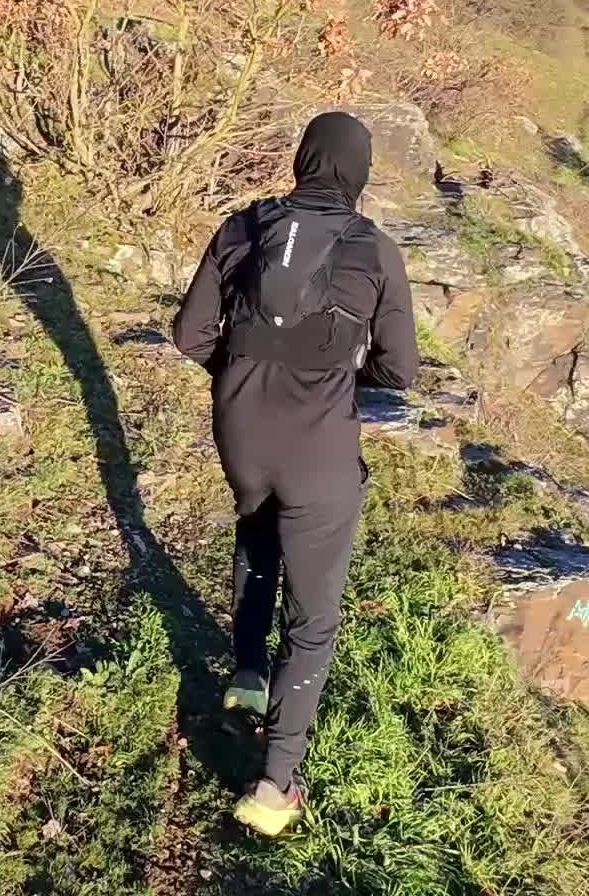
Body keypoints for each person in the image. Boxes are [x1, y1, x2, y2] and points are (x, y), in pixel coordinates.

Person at [172, 111, 418, 837]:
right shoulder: (374, 249)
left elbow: (190, 335)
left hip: (240, 433)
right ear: (359, 172)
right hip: (318, 450)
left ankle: (248, 677)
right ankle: (274, 786)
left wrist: (243, 373)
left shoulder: (244, 226)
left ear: (302, 159)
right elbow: (400, 369)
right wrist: (338, 374)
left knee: (258, 530)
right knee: (312, 622)